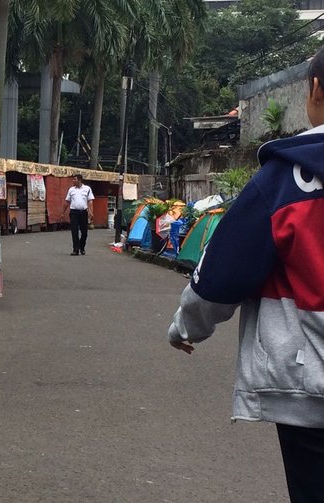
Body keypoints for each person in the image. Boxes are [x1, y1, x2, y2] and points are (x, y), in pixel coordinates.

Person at [168, 46, 324, 503]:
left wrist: (184, 327)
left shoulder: (284, 181)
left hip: (312, 395)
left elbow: (221, 277)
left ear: (314, 90)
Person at [61, 174, 94, 255]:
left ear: (79, 180)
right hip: (74, 213)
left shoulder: (87, 189)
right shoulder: (71, 190)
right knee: (74, 231)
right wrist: (62, 212)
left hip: (83, 212)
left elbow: (90, 201)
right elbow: (67, 201)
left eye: (75, 179)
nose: (73, 181)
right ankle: (75, 249)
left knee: (84, 232)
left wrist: (91, 211)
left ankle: (82, 247)